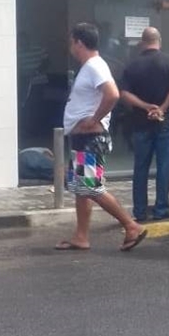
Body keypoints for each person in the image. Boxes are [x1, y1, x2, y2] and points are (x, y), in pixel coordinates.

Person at [55, 23, 147, 251]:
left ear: (78, 42)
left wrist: (95, 119)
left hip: (90, 138)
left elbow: (112, 94)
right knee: (81, 187)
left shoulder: (95, 66)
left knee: (91, 187)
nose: (70, 47)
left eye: (71, 42)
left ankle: (131, 225)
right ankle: (81, 236)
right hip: (83, 139)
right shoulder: (90, 66)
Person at [120, 27, 169, 222]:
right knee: (164, 167)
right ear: (159, 40)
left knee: (141, 168)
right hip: (165, 122)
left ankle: (139, 211)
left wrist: (146, 106)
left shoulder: (132, 65)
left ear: (142, 42)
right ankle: (161, 209)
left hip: (141, 122)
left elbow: (124, 94)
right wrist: (162, 108)